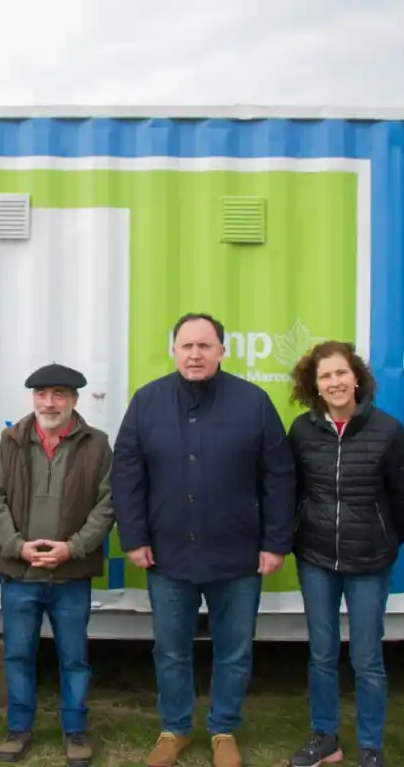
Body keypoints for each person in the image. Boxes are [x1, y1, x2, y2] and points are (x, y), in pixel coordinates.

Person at [112, 312, 295, 767]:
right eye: (187, 345)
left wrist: (275, 542)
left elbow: (279, 476)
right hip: (168, 555)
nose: (195, 354)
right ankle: (174, 729)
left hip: (237, 557)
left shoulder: (253, 402)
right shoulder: (147, 402)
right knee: (171, 651)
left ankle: (223, 729)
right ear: (173, 350)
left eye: (205, 346)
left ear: (221, 351)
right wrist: (133, 537)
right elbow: (127, 474)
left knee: (234, 650)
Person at [283, 341, 404, 767]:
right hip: (317, 559)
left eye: (341, 373)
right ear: (316, 386)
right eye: (325, 376)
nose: (335, 382)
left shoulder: (389, 430)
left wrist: (384, 540)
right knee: (322, 653)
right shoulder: (302, 431)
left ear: (356, 377)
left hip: (369, 563)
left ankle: (370, 746)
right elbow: (293, 492)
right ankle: (325, 738)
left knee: (367, 658)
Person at [0, 363, 115, 767]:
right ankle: (19, 729)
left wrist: (72, 548)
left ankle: (75, 732)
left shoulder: (97, 446)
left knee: (74, 659)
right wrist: (18, 547)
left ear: (74, 400)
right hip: (19, 574)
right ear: (32, 398)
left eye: (58, 394)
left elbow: (107, 506)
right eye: (41, 393)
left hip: (71, 575)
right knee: (18, 655)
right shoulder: (10, 441)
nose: (49, 402)